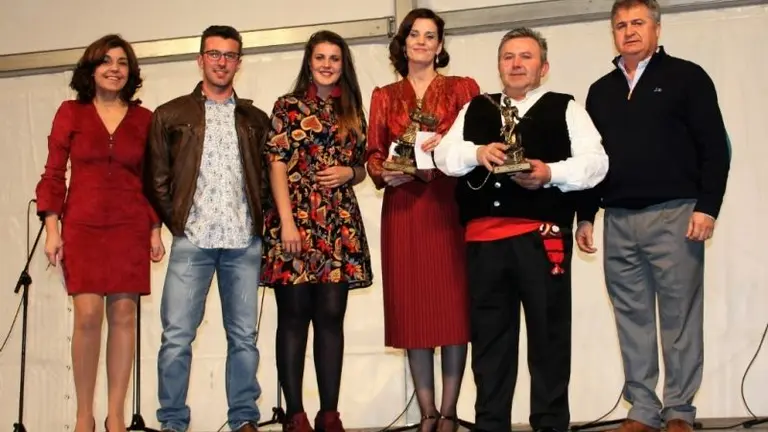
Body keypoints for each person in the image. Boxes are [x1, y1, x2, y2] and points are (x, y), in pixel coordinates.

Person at [433, 27, 609, 432]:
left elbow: (596, 163)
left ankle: (549, 425)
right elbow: (444, 155)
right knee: (489, 342)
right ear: (499, 65)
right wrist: (477, 152)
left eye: (526, 56)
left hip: (541, 238)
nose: (516, 64)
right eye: (508, 56)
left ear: (543, 68)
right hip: (484, 242)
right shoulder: (476, 107)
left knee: (549, 337)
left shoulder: (565, 107)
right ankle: (491, 424)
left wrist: (550, 173)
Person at [576, 1, 731, 432]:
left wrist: (707, 206)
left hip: (676, 215)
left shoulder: (688, 77)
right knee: (632, 318)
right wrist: (585, 216)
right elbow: (592, 162)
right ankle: (642, 410)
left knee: (680, 317)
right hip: (618, 219)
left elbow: (715, 148)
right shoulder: (600, 91)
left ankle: (679, 410)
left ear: (657, 28)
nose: (629, 31)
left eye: (638, 23)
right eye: (621, 25)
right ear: (613, 33)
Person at [34, 34, 165, 432]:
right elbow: (53, 174)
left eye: (122, 62)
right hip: (82, 225)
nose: (114, 69)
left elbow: (152, 179)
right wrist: (52, 228)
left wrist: (154, 228)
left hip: (129, 225)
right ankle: (84, 416)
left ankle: (116, 417)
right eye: (106, 61)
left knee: (123, 314)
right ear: (91, 70)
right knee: (88, 315)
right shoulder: (70, 112)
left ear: (131, 72)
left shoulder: (145, 119)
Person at [144, 25, 270, 432]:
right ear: (200, 60)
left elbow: (268, 180)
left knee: (244, 338)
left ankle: (244, 418)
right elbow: (156, 179)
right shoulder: (170, 114)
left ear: (239, 62)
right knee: (176, 337)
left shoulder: (255, 119)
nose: (221, 62)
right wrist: (179, 223)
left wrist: (261, 223)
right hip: (192, 241)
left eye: (229, 55)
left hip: (243, 241)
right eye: (214, 54)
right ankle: (173, 422)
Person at [364, 8, 481, 432]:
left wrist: (448, 143)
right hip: (403, 208)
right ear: (403, 42)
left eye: (430, 36)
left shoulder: (463, 88)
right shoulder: (384, 95)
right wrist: (383, 172)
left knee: (452, 309)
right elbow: (373, 152)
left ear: (439, 45)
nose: (422, 42)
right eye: (415, 34)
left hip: (449, 205)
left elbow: (478, 140)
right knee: (413, 309)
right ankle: (427, 413)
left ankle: (449, 412)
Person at [261, 30, 373, 432]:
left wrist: (350, 173)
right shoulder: (287, 105)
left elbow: (362, 166)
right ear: (309, 62)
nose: (327, 64)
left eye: (334, 58)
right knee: (293, 318)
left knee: (331, 318)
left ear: (344, 65)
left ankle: (329, 414)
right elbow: (275, 163)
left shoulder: (353, 110)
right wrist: (287, 222)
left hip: (339, 224)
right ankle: (295, 415)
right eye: (320, 57)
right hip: (294, 221)